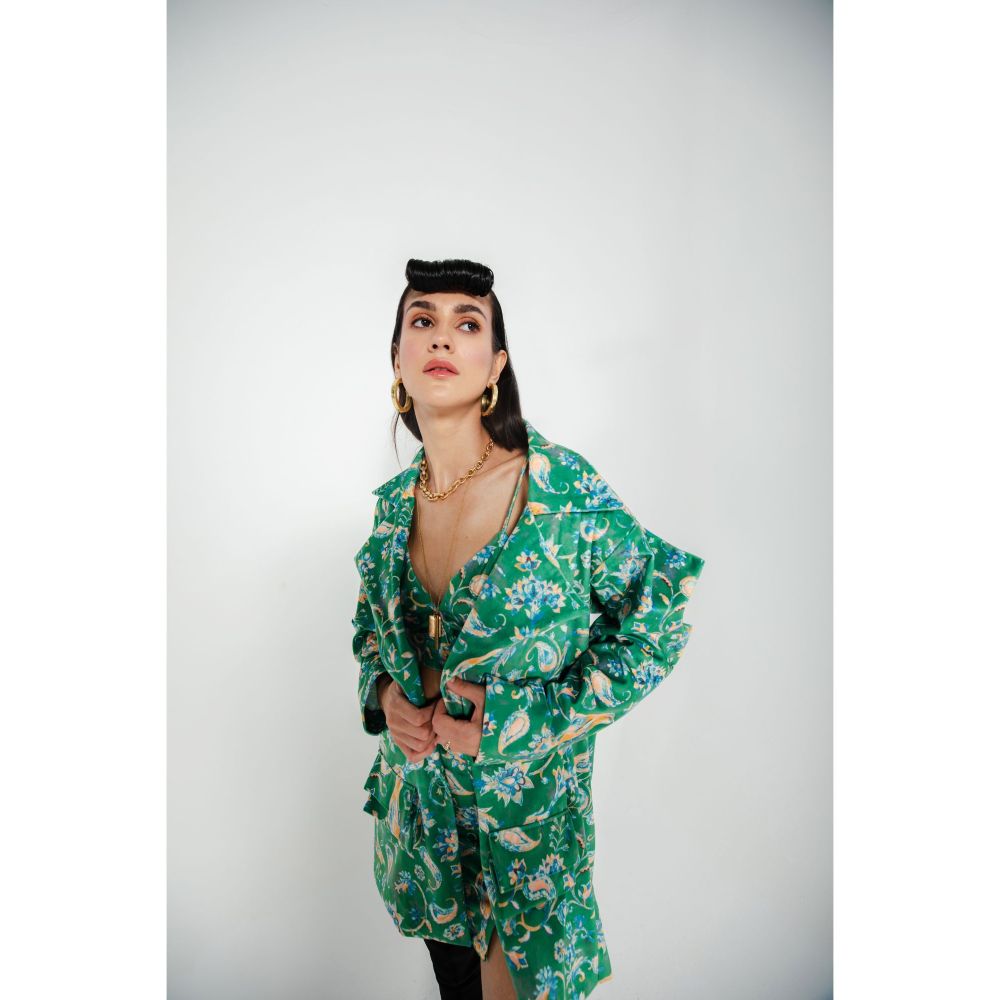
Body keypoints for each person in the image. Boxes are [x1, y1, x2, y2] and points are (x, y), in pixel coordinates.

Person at [352, 257, 705, 1000]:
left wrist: (527, 717)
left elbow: (659, 616)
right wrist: (383, 693)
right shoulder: (391, 508)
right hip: (426, 842)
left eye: (467, 324)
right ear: (397, 359)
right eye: (422, 320)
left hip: (528, 839)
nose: (441, 336)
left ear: (495, 367)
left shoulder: (559, 492)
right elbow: (368, 633)